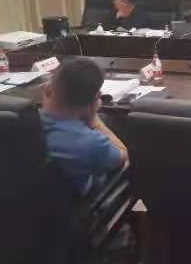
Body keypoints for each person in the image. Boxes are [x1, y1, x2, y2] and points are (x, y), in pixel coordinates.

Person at [40, 58, 128, 196]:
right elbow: (123, 155)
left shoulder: (20, 124)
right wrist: (94, 120)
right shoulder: (90, 142)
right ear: (96, 98)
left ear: (47, 90)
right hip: (80, 202)